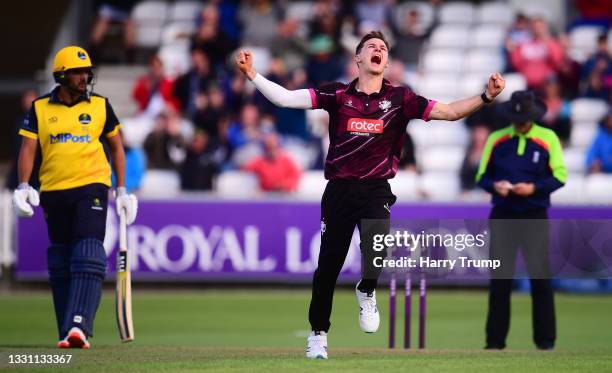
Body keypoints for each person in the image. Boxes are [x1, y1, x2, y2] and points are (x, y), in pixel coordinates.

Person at [236, 30, 505, 359]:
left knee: (377, 254)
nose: (378, 50)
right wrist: (253, 75)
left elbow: (449, 112)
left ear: (387, 62)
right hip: (338, 191)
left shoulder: (401, 99)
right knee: (328, 268)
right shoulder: (336, 94)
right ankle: (318, 334)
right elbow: (285, 98)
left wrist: (486, 97)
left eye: (383, 48)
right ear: (358, 59)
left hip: (376, 189)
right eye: (371, 47)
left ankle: (366, 290)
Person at [12, 46, 138, 349]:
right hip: (54, 191)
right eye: (78, 72)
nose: (85, 77)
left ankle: (80, 324)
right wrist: (23, 186)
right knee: (60, 257)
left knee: (89, 251)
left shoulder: (100, 106)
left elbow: (117, 148)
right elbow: (28, 149)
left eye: (87, 72)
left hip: (92, 186)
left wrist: (121, 189)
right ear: (62, 75)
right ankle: (66, 330)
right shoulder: (40, 108)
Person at [476, 90, 567, 351]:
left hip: (534, 215)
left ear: (532, 117)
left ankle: (545, 342)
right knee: (500, 281)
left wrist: (533, 188)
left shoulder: (547, 138)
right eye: (517, 119)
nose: (520, 124)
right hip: (503, 215)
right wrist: (497, 186)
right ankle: (494, 343)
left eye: (524, 119)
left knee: (541, 279)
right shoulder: (497, 138)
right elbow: (482, 176)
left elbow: (559, 176)